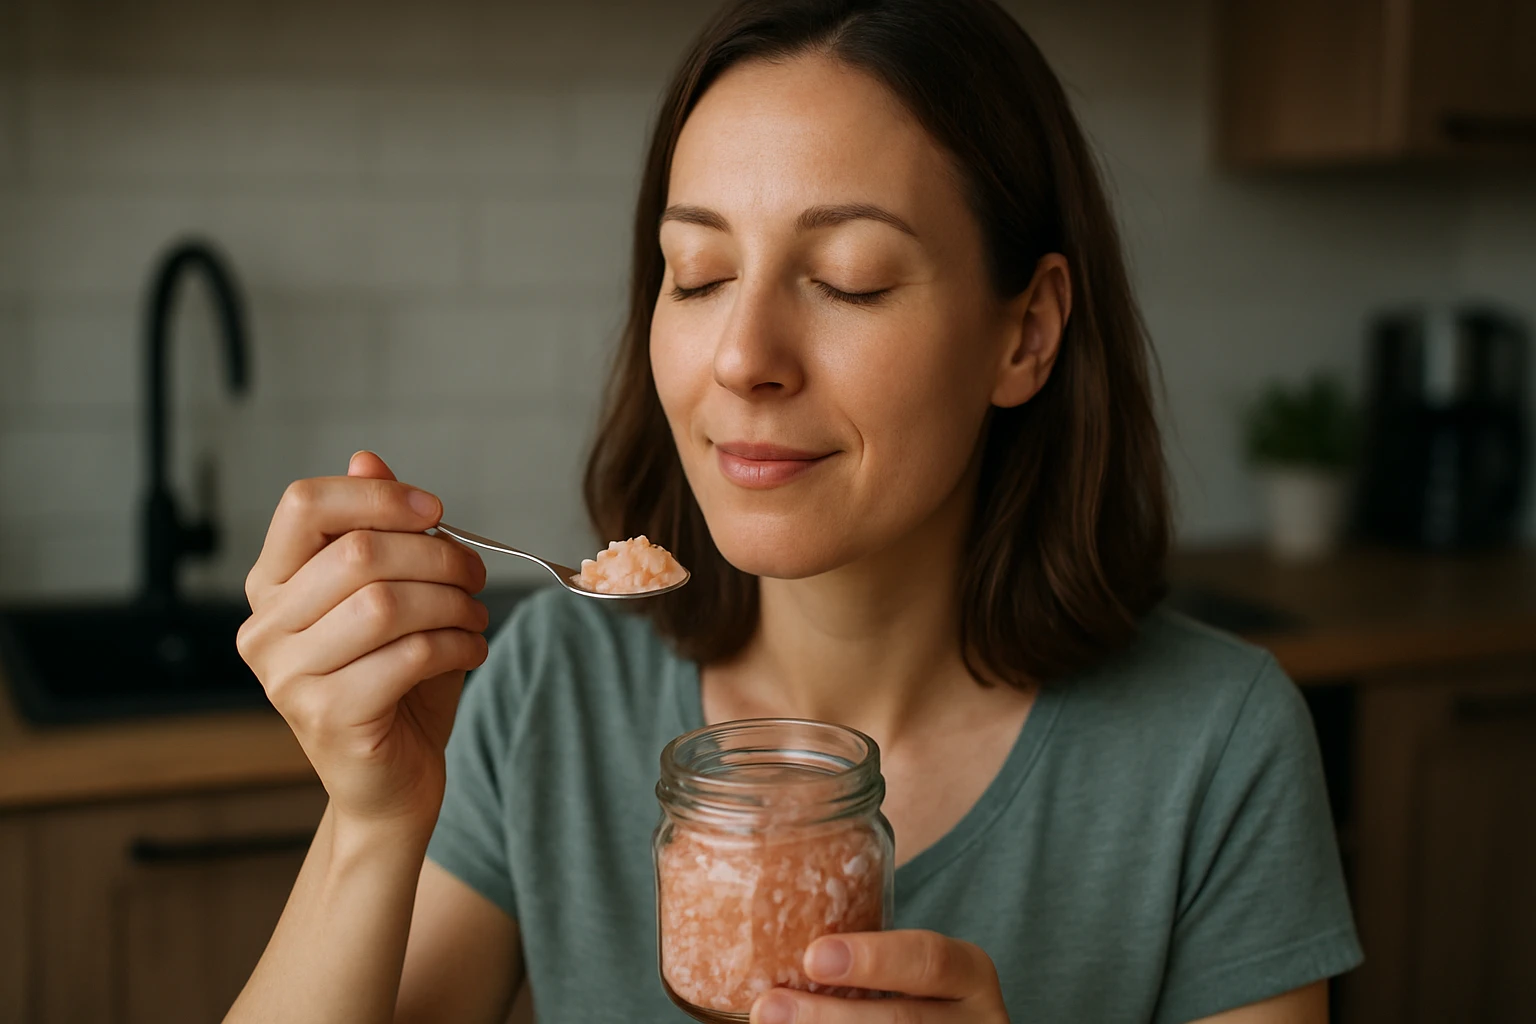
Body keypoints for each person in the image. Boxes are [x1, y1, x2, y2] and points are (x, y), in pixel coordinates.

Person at [226, 1, 1362, 1022]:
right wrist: (372, 823)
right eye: (700, 272)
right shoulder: (555, 683)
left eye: (851, 279)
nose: (742, 356)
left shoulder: (1216, 747)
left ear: (1025, 334)